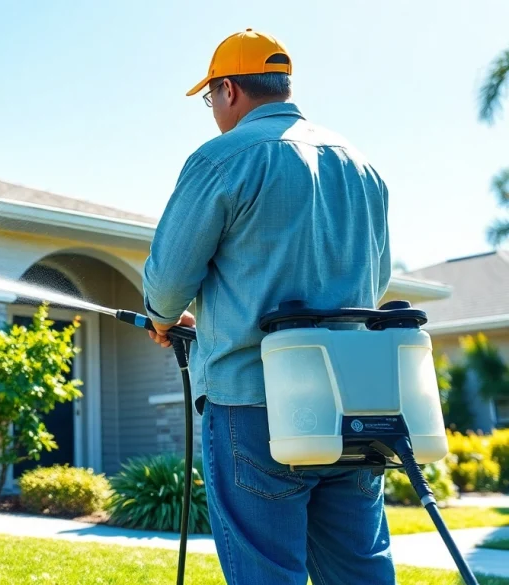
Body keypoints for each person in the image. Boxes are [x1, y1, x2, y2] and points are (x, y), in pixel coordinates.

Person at [142, 29, 394, 585]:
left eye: (210, 99)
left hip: (253, 405)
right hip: (351, 401)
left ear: (228, 89)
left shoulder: (222, 159)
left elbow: (165, 286)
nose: (212, 112)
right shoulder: (361, 165)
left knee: (267, 574)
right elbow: (375, 282)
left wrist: (163, 320)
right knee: (359, 573)